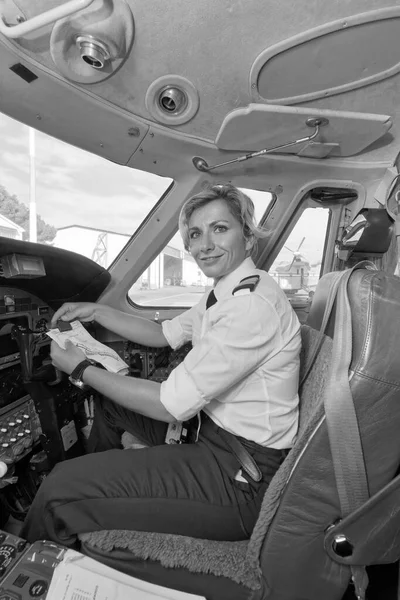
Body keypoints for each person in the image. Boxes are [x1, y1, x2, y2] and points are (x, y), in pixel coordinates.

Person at [21, 183, 301, 547]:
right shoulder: (231, 290)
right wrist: (97, 311)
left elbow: (168, 404)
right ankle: (96, 502)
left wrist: (81, 368)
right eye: (196, 234)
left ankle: (55, 526)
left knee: (59, 485)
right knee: (109, 407)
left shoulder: (249, 306)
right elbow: (163, 334)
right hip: (212, 436)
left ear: (248, 237)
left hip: (239, 478)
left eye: (220, 228)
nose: (205, 245)